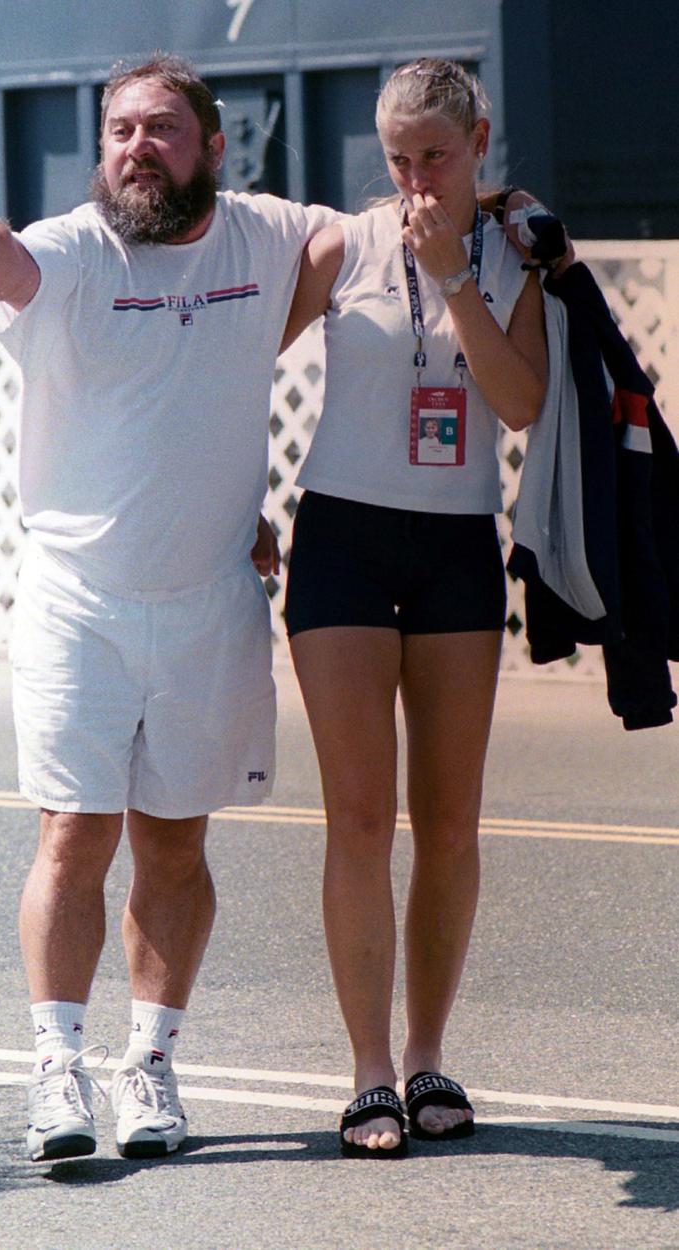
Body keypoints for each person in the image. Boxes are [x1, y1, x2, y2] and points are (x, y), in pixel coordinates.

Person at [0, 52, 337, 1163]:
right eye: (119, 133)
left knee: (175, 845)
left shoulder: (262, 231)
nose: (137, 149)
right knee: (75, 835)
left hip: (210, 605)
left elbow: (349, 242)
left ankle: (150, 1065)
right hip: (77, 603)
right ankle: (57, 1069)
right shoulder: (74, 250)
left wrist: (467, 199)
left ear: (213, 146)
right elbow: (5, 264)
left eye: (161, 131)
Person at [281, 58, 549, 1156]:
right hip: (341, 536)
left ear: (480, 139)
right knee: (358, 816)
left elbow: (520, 402)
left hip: (454, 548)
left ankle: (430, 1050)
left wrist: (457, 281)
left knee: (448, 822)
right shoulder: (343, 245)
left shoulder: (518, 251)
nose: (416, 178)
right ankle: (369, 1072)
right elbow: (231, 366)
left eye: (435, 154)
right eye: (398, 158)